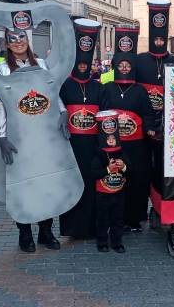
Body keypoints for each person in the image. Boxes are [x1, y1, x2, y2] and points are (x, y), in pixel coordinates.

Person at [0, 25, 63, 252]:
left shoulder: (41, 64)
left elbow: (53, 93)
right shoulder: (3, 69)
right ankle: (24, 234)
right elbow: (1, 103)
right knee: (22, 186)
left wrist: (62, 112)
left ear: (28, 39)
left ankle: (46, 231)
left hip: (43, 134)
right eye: (12, 39)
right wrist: (2, 135)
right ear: (6, 44)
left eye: (21, 36)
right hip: (20, 135)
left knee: (46, 183)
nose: (17, 41)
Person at [135, 0, 174, 230]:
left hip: (169, 129)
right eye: (156, 38)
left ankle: (165, 207)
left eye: (162, 39)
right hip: (144, 127)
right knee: (144, 169)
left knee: (166, 170)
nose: (159, 42)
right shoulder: (139, 61)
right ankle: (144, 210)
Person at [100, 49, 156, 231]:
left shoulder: (139, 90)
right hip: (115, 145)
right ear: (115, 67)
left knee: (136, 182)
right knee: (115, 181)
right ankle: (115, 219)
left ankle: (134, 219)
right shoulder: (107, 88)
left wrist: (149, 128)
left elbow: (148, 113)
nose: (124, 68)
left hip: (137, 146)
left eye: (128, 65)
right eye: (121, 65)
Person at [58, 19, 102, 239]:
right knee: (71, 185)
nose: (83, 67)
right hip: (71, 146)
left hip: (92, 146)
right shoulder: (64, 86)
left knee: (91, 187)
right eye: (80, 64)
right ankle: (72, 228)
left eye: (87, 64)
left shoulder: (98, 87)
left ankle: (92, 227)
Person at [92, 110, 128, 253]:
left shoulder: (121, 152)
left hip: (119, 193)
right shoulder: (99, 155)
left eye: (113, 139)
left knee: (118, 219)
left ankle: (117, 242)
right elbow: (93, 174)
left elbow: (132, 170)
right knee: (102, 219)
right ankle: (102, 242)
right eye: (109, 139)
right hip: (102, 194)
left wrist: (123, 166)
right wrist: (108, 169)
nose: (111, 141)